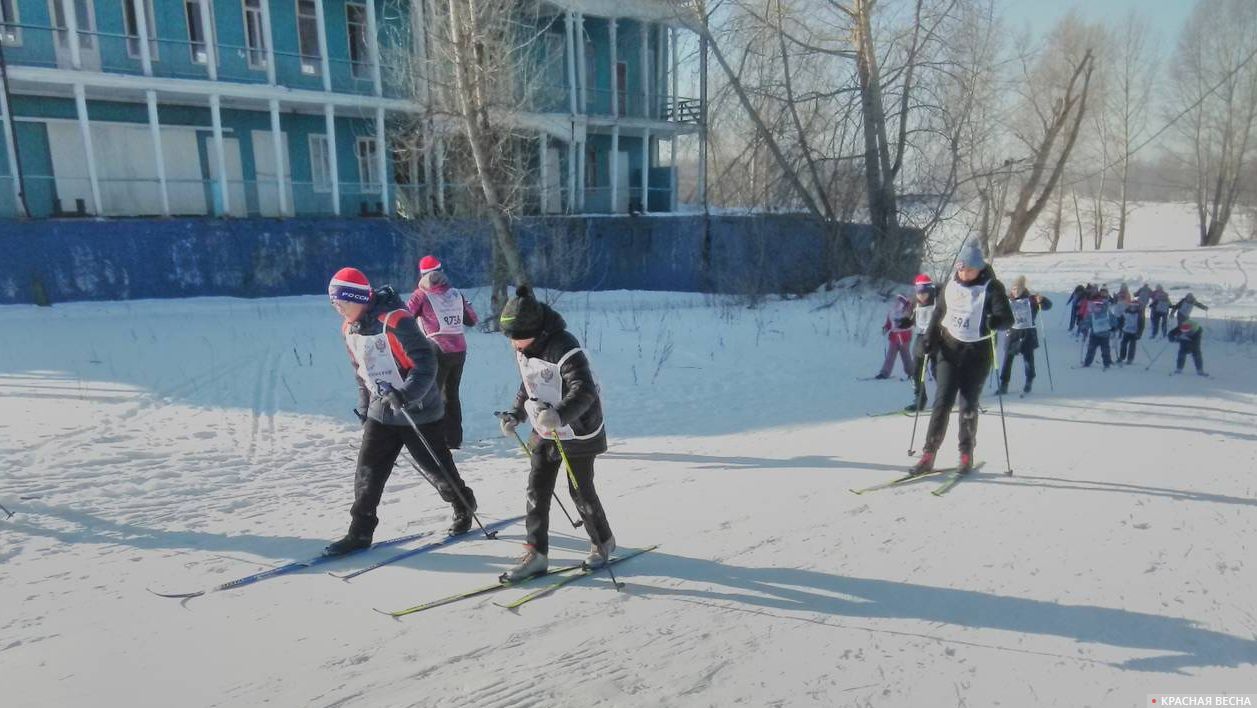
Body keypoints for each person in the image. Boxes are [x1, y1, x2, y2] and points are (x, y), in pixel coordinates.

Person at [323, 267, 478, 556]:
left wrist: (405, 395)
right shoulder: (349, 329)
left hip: (418, 410)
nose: (338, 309)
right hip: (382, 413)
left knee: (437, 470)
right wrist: (365, 406)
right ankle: (359, 532)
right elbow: (361, 371)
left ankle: (462, 504)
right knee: (367, 473)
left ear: (358, 298)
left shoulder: (397, 320)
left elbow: (427, 364)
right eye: (334, 304)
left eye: (342, 302)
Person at [497, 286, 615, 581]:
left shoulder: (564, 346)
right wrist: (516, 412)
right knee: (536, 489)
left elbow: (584, 390)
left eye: (516, 337)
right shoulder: (524, 347)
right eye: (508, 337)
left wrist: (560, 414)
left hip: (579, 428)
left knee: (580, 490)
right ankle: (536, 553)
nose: (513, 344)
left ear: (534, 329)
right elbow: (528, 384)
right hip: (545, 429)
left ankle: (602, 542)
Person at [911, 238, 1013, 475]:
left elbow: (1007, 318)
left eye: (967, 269)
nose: (963, 272)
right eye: (960, 268)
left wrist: (994, 320)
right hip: (949, 349)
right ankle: (928, 454)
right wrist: (929, 339)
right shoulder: (951, 285)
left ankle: (966, 453)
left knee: (967, 404)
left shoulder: (991, 287)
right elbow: (939, 314)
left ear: (978, 268)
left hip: (977, 353)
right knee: (942, 402)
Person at [406, 255, 479, 450]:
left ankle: (433, 440)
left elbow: (405, 318)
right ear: (442, 271)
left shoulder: (420, 295)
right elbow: (472, 319)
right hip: (459, 350)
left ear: (421, 274)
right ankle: (454, 440)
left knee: (432, 396)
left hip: (436, 348)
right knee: (451, 395)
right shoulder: (456, 294)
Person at [997, 276, 1052, 395]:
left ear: (1022, 289)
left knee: (1028, 360)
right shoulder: (1008, 299)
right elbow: (998, 309)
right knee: (1007, 360)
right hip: (1012, 334)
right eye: (1013, 289)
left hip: (1027, 334)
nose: (1014, 291)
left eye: (1017, 289)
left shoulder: (1031, 299)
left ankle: (1029, 381)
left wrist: (1041, 300)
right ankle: (1004, 384)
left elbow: (1048, 306)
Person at [904, 274, 937, 412]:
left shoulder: (938, 302)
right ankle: (920, 399)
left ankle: (944, 398)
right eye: (919, 293)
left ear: (929, 290)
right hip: (920, 338)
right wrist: (906, 322)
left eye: (924, 292)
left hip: (937, 339)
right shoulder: (914, 303)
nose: (921, 296)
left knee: (938, 371)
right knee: (916, 370)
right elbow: (911, 318)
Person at [875, 293, 914, 379]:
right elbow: (889, 323)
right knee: (890, 356)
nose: (897, 303)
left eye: (899, 301)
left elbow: (911, 322)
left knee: (906, 356)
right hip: (894, 337)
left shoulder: (907, 311)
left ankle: (911, 373)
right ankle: (884, 373)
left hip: (904, 337)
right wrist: (885, 328)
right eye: (896, 301)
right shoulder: (892, 312)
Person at [1081, 288, 1113, 369]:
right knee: (1091, 349)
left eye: (1099, 302)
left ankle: (1107, 363)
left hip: (1105, 334)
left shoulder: (1106, 310)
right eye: (1095, 302)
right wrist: (1085, 328)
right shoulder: (1092, 311)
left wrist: (1114, 326)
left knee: (1105, 350)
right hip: (1094, 334)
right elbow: (1088, 320)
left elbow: (1112, 318)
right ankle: (1087, 362)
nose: (1097, 304)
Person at [1118, 298, 1145, 364]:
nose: (1133, 308)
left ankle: (1130, 359)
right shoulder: (1126, 312)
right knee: (1123, 344)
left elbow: (1142, 325)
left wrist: (1139, 333)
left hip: (1134, 332)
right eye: (1132, 306)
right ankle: (1122, 357)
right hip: (1126, 331)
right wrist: (1119, 327)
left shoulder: (1140, 315)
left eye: (1135, 307)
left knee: (1132, 346)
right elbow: (1121, 320)